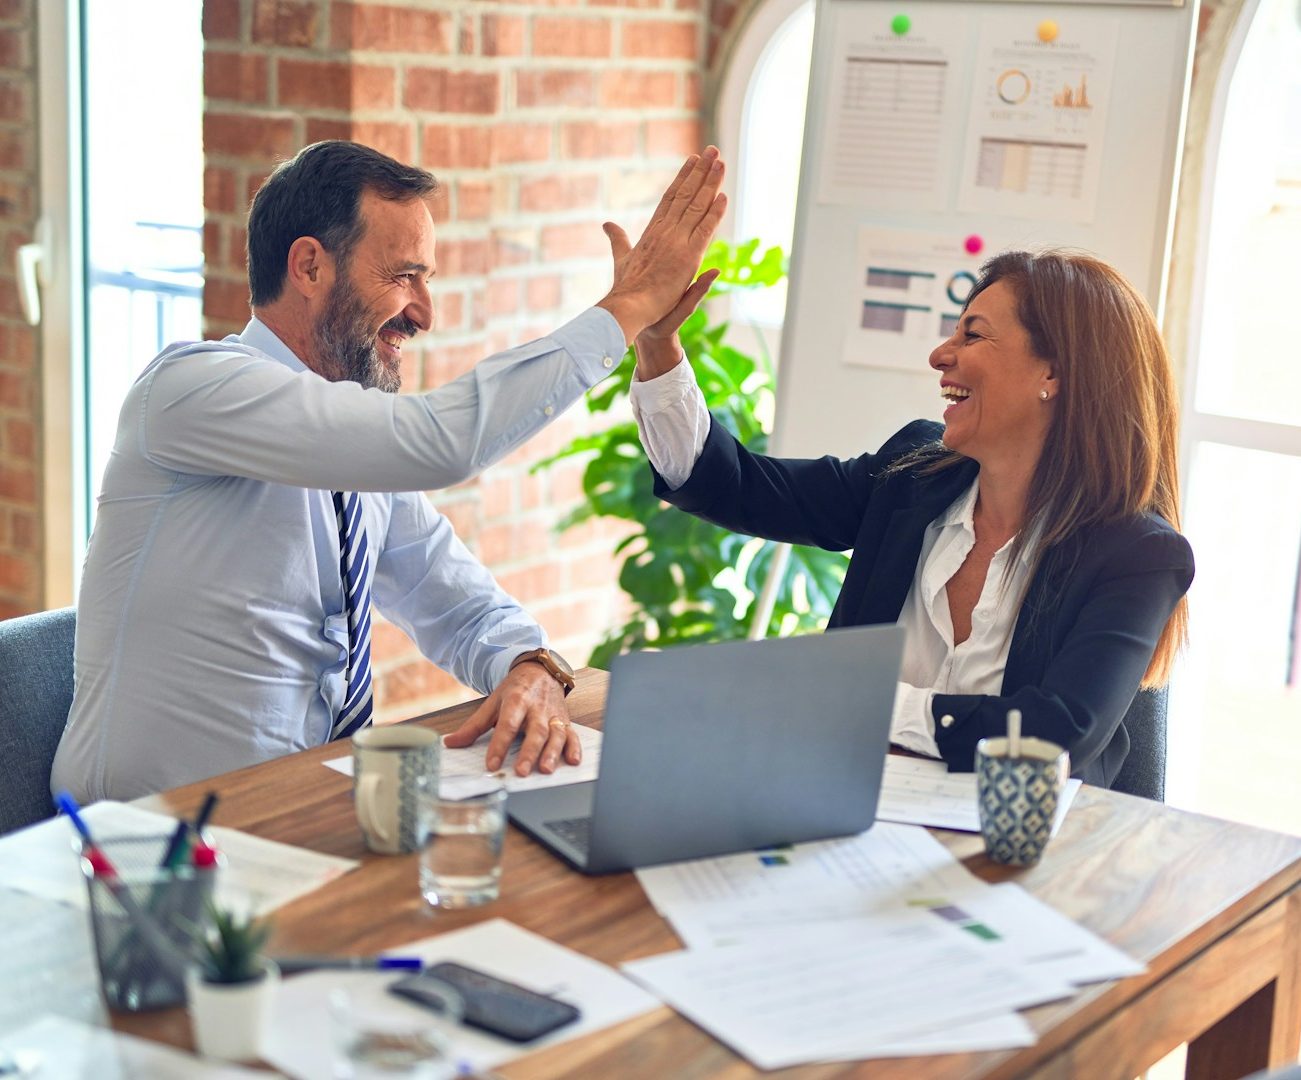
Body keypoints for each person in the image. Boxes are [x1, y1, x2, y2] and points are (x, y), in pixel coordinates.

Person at [52, 140, 726, 802]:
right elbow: (440, 442)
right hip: (144, 845)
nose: (424, 313)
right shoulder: (192, 390)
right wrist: (629, 307)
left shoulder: (353, 453)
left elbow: (455, 601)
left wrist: (529, 665)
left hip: (299, 817)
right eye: (405, 275)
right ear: (310, 267)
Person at [628, 249, 1193, 787]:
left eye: (972, 334)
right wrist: (658, 344)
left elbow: (1053, 737)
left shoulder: (1138, 554)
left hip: (1024, 856)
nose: (940, 355)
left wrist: (860, 701)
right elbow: (737, 486)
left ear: (1054, 373)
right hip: (848, 813)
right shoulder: (912, 477)